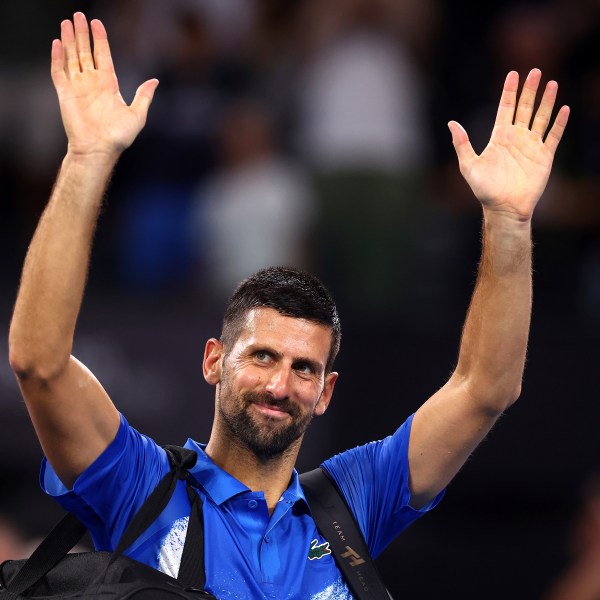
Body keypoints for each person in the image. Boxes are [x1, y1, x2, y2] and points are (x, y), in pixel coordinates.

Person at [7, 12, 569, 599]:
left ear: (326, 392)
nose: (280, 384)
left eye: (305, 368)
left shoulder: (353, 503)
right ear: (213, 361)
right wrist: (87, 158)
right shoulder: (141, 486)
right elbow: (39, 363)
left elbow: (486, 389)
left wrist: (508, 219)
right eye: (262, 356)